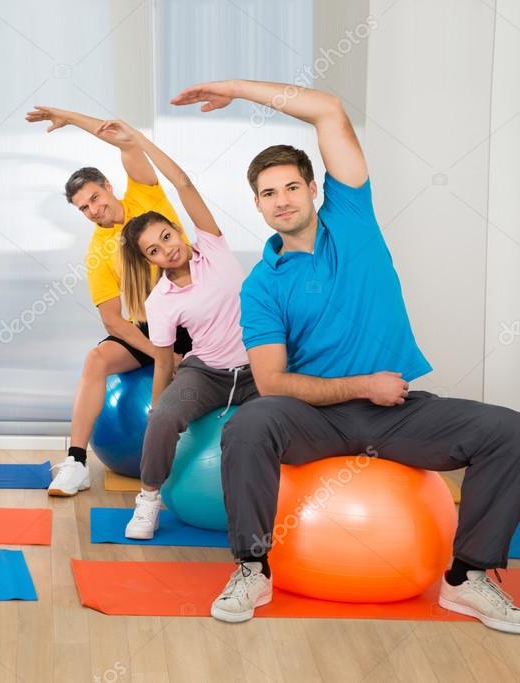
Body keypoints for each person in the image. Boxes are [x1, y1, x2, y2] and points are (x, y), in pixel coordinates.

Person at [171, 79, 520, 632]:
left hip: (397, 409)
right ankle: (252, 567)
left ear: (314, 189)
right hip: (316, 418)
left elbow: (328, 110)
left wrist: (232, 88)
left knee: (509, 430)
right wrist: (362, 386)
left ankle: (467, 579)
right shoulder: (262, 285)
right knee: (249, 422)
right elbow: (272, 378)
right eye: (267, 193)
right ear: (257, 205)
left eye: (290, 187)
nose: (281, 200)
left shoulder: (353, 219)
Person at [96, 119, 258, 540]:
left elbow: (184, 184)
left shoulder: (214, 247)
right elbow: (164, 364)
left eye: (167, 236)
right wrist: (158, 410)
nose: (167, 249)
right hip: (207, 374)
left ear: (177, 230)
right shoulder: (159, 302)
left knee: (299, 409)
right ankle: (148, 502)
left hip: (259, 368)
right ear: (150, 260)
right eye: (154, 250)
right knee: (164, 415)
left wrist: (139, 142)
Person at [24, 105, 193, 496]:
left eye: (95, 198)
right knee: (96, 358)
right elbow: (114, 321)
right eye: (83, 208)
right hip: (150, 328)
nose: (93, 210)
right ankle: (76, 462)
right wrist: (161, 356)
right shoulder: (96, 251)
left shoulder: (145, 197)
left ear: (108, 187)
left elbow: (123, 139)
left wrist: (70, 117)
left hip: (193, 318)